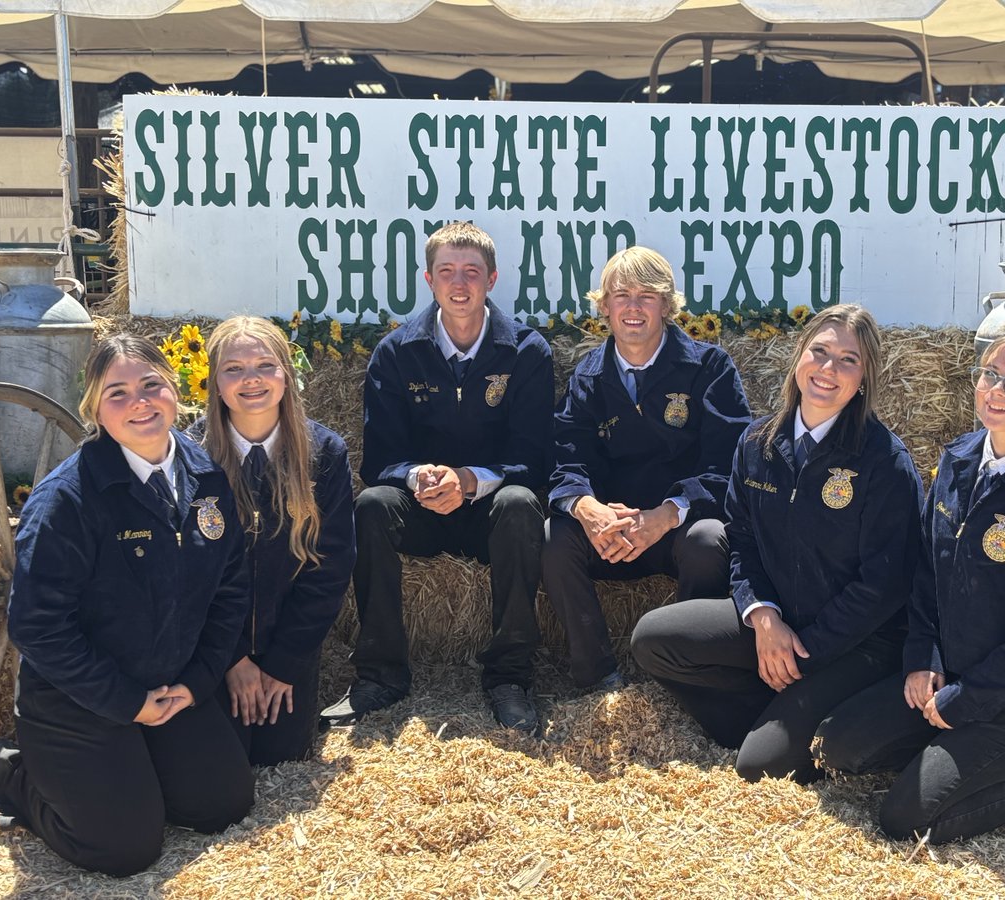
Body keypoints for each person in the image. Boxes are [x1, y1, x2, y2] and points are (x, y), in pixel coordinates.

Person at [813, 324, 1005, 843]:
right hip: (945, 674)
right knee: (835, 748)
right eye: (990, 375)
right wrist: (921, 660)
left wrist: (968, 698)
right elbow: (929, 573)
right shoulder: (957, 460)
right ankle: (950, 762)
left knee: (906, 821)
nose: (997, 391)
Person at [0, 334, 253, 877]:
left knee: (223, 806)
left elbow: (230, 590)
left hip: (171, 687)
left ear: (175, 392)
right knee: (124, 849)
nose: (140, 402)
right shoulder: (68, 499)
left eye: (152, 385)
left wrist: (198, 682)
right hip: (77, 699)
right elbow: (37, 626)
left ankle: (134, 768)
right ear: (95, 411)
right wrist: (125, 702)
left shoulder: (206, 478)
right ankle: (15, 773)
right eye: (118, 393)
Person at [631, 304, 923, 783]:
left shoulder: (883, 462)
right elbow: (741, 539)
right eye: (820, 352)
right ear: (798, 357)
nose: (828, 369)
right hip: (779, 620)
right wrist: (762, 616)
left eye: (848, 360)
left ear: (865, 377)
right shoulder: (757, 442)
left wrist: (805, 648)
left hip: (856, 642)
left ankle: (812, 716)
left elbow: (885, 585)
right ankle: (778, 709)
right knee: (653, 641)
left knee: (757, 767)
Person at [320, 221, 554, 734]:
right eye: (447, 271)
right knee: (372, 506)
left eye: (472, 271)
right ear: (428, 279)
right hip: (422, 507)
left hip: (490, 510)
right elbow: (378, 458)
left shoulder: (527, 352)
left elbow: (535, 460)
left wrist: (470, 480)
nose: (459, 283)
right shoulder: (398, 351)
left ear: (492, 279)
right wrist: (418, 475)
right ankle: (380, 674)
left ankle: (509, 677)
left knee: (521, 505)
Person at [543, 246, 752, 692]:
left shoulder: (709, 369)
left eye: (647, 296)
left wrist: (668, 513)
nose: (633, 307)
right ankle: (596, 675)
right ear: (604, 306)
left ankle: (690, 672)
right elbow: (565, 457)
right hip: (611, 532)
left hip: (674, 529)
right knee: (554, 539)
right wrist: (587, 509)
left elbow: (731, 463)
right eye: (621, 295)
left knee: (710, 539)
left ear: (668, 305)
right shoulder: (587, 377)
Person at [188, 316, 355, 765]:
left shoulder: (324, 453)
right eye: (234, 368)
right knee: (223, 762)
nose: (251, 379)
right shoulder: (190, 458)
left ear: (286, 374)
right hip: (213, 650)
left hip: (289, 648)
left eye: (264, 364)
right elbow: (186, 577)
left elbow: (331, 567)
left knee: (281, 755)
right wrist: (233, 660)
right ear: (214, 383)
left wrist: (283, 664)